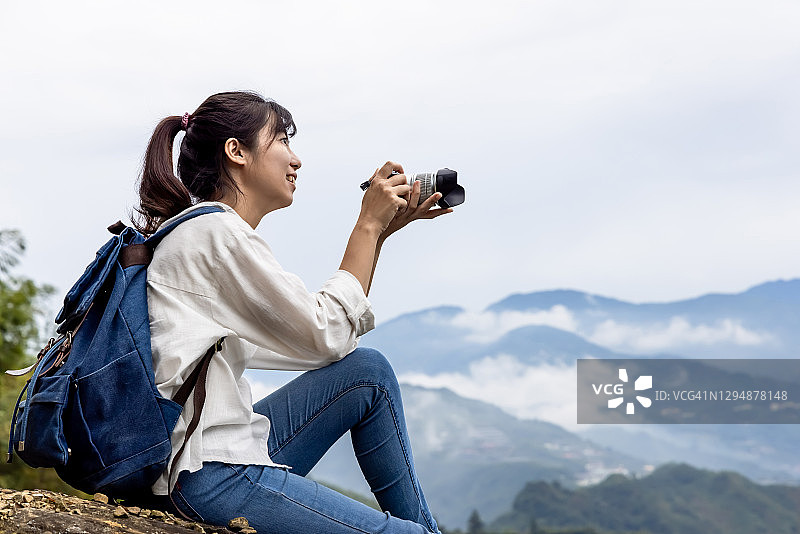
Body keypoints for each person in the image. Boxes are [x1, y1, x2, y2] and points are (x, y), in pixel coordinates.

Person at [135, 91, 453, 534]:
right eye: (281, 139)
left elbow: (329, 348)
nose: (295, 159)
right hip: (209, 474)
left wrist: (377, 236)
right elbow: (325, 333)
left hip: (212, 457)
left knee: (367, 372)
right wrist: (367, 225)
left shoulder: (199, 232)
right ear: (236, 152)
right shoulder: (215, 235)